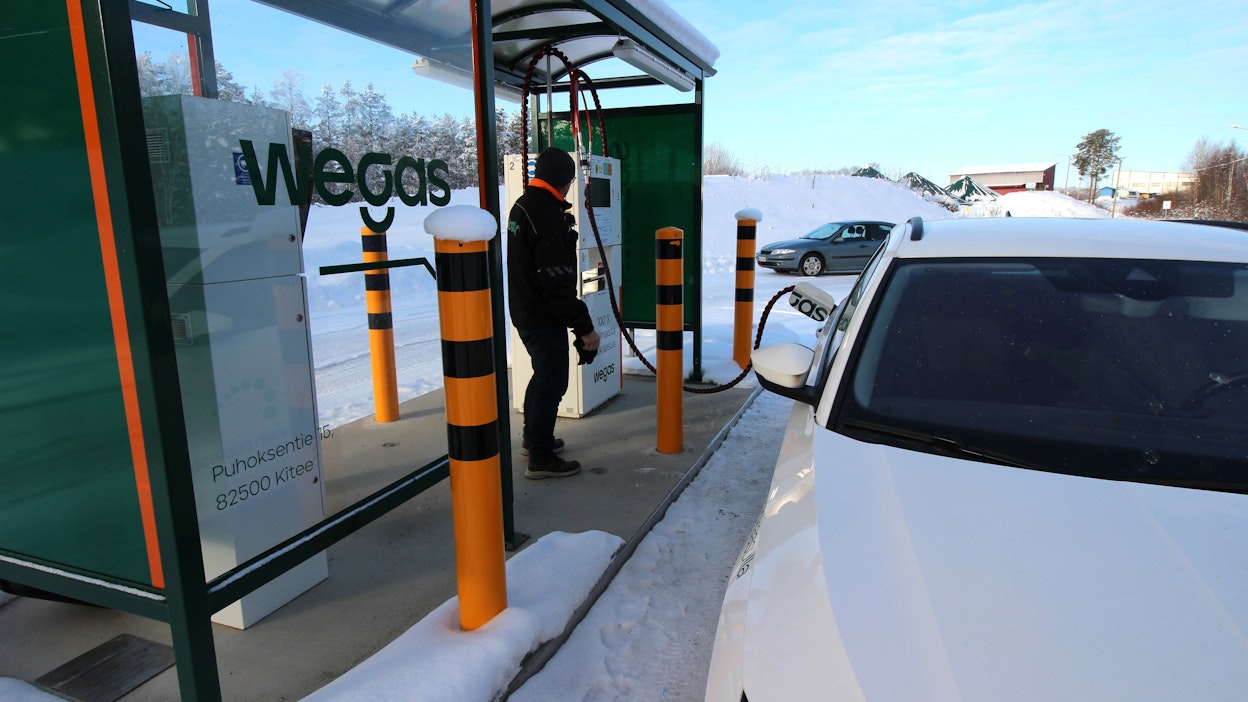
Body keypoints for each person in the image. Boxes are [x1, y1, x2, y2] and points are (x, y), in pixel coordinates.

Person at [507, 148, 599, 479]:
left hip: (524, 309)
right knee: (552, 381)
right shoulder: (545, 214)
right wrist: (585, 330)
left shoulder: (523, 205)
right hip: (542, 314)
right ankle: (541, 458)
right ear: (565, 181)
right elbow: (557, 285)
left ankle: (534, 440)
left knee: (542, 376)